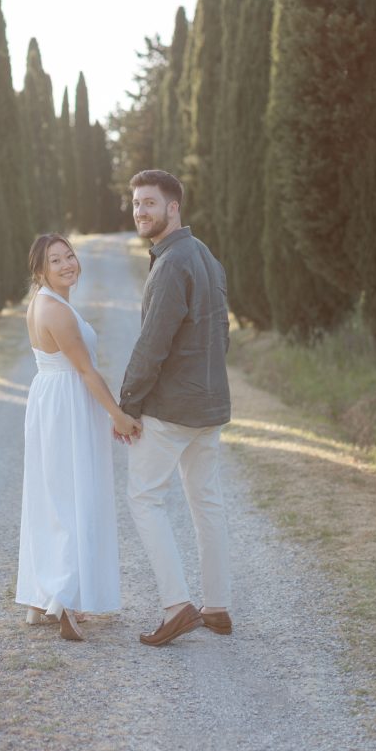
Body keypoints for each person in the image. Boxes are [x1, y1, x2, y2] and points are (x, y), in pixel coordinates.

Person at [118, 170, 232, 647]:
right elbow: (222, 336)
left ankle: (177, 606)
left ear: (173, 207)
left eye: (149, 202)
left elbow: (152, 345)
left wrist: (127, 405)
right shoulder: (206, 256)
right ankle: (217, 607)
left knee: (144, 498)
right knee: (207, 503)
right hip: (209, 406)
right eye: (136, 203)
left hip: (172, 410)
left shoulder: (171, 264)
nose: (140, 211)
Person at [16, 233, 141, 642]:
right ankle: (66, 599)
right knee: (74, 496)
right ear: (41, 271)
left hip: (53, 400)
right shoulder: (56, 310)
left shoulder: (44, 302)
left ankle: (42, 598)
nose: (67, 264)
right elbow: (86, 371)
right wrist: (118, 415)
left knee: (53, 497)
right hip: (67, 404)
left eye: (69, 255)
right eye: (55, 260)